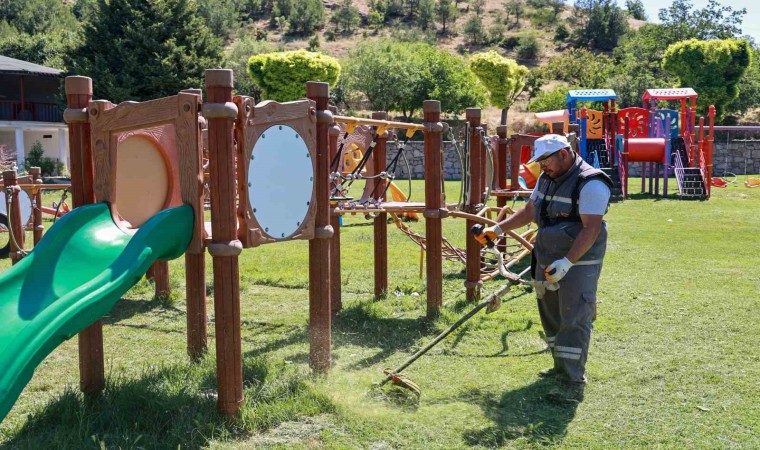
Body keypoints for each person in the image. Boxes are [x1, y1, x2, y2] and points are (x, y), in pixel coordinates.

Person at [472, 134, 612, 392]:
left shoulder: (591, 183)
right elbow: (530, 211)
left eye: (545, 160)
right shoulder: (547, 179)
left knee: (574, 315)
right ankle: (560, 366)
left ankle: (572, 381)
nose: (541, 166)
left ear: (564, 153)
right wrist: (498, 230)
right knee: (550, 314)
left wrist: (568, 263)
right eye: (538, 161)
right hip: (547, 253)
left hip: (578, 261)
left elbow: (591, 229)